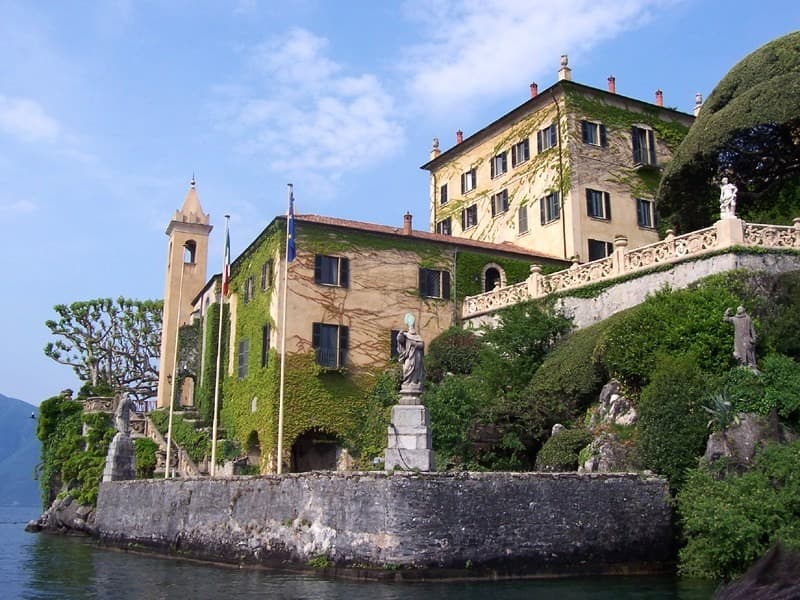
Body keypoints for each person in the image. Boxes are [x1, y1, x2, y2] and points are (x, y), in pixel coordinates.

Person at [397, 313, 425, 392]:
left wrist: (415, 344)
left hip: (417, 356)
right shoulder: (405, 335)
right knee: (407, 368)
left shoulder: (418, 337)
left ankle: (414, 382)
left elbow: (422, 345)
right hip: (409, 356)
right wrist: (400, 334)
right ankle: (407, 382)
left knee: (416, 369)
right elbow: (400, 340)